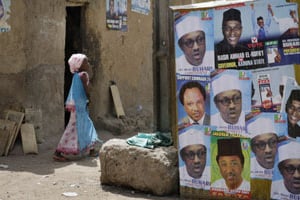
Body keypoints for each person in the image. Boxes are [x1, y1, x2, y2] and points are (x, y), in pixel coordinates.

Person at [53, 54, 102, 161]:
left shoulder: (76, 75)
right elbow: (88, 90)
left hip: (78, 106)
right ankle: (58, 151)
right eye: (86, 62)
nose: (88, 64)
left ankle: (91, 149)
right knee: (75, 127)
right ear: (79, 65)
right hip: (80, 106)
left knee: (86, 125)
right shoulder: (84, 75)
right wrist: (90, 92)